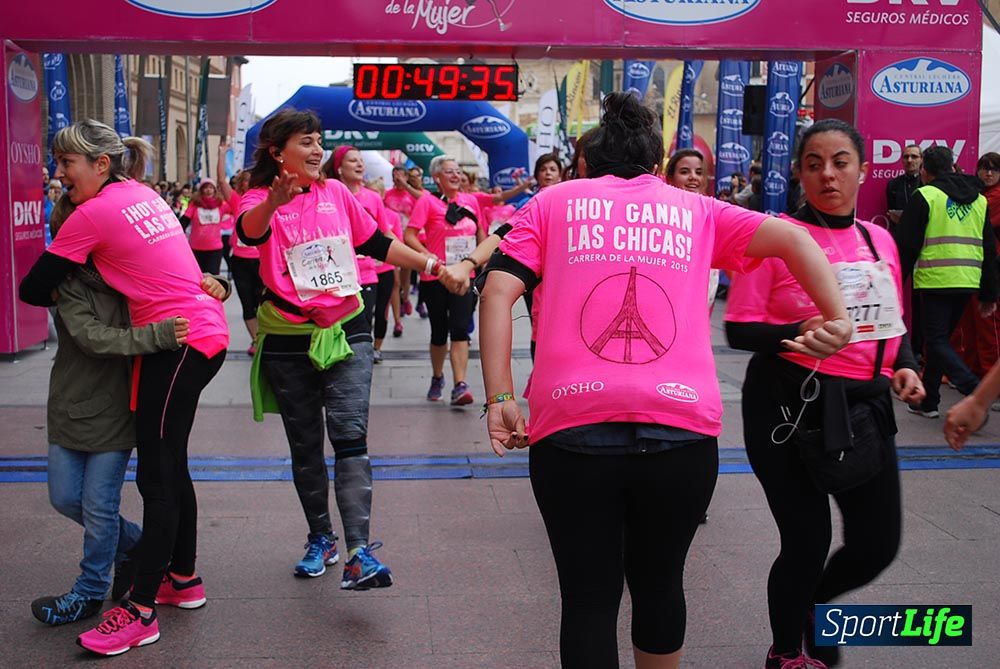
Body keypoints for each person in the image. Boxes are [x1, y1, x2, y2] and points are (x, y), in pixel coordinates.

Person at [479, 92, 851, 669]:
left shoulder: (552, 204)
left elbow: (498, 291)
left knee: (588, 599)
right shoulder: (695, 210)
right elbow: (798, 238)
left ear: (589, 163)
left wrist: (501, 396)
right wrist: (837, 317)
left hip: (571, 427)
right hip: (680, 427)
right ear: (655, 167)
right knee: (661, 584)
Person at [19, 120, 229, 656]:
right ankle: (181, 580)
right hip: (198, 333)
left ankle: (138, 611)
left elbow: (34, 288)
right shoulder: (141, 194)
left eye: (67, 163)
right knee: (171, 468)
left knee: (157, 479)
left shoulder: (92, 213)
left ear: (101, 164)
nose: (58, 173)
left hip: (178, 340)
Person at [725, 119, 924, 669]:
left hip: (866, 407)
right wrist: (803, 330)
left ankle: (816, 610)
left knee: (877, 545)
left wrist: (904, 366)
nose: (827, 174)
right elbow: (738, 329)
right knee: (807, 543)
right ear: (799, 173)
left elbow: (891, 323)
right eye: (814, 164)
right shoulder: (775, 237)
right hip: (788, 408)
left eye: (840, 162)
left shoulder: (877, 238)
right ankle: (786, 652)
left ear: (862, 170)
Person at [237, 109, 464, 589]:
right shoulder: (259, 198)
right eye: (306, 142)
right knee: (304, 447)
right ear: (278, 153)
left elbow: (379, 245)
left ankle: (360, 551)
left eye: (320, 141)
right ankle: (321, 537)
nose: (317, 149)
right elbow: (249, 232)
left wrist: (431, 264)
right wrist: (274, 203)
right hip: (285, 337)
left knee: (349, 433)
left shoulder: (335, 193)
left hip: (346, 327)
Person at [894, 145, 998, 418]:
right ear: (952, 167)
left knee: (936, 340)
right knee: (939, 343)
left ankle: (975, 390)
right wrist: (989, 294)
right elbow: (989, 248)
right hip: (968, 281)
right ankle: (928, 401)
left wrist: (892, 287)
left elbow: (906, 248)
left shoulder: (925, 196)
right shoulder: (979, 199)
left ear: (925, 171)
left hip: (935, 280)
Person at [405, 155, 486, 405]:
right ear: (437, 178)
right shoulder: (427, 202)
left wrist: (479, 260)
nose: (455, 175)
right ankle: (438, 376)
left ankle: (460, 385)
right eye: (449, 171)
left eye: (457, 170)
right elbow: (409, 235)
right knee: (439, 331)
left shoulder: (470, 201)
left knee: (460, 329)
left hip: (465, 275)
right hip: (436, 276)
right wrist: (426, 253)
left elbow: (482, 232)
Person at [322, 145, 398, 364]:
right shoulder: (328, 195)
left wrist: (413, 258)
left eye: (360, 160)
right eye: (352, 160)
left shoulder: (373, 198)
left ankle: (355, 366)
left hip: (365, 273)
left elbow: (386, 233)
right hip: (334, 275)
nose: (359, 164)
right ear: (338, 168)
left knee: (363, 323)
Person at [217, 143, 261, 356]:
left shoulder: (265, 200)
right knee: (247, 303)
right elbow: (221, 182)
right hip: (241, 260)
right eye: (246, 179)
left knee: (263, 302)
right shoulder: (236, 201)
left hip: (262, 261)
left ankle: (265, 339)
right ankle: (256, 341)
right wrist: (221, 155)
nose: (250, 182)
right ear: (242, 184)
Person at [384, 165, 424, 321]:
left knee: (406, 275)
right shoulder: (387, 195)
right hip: (392, 239)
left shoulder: (412, 194)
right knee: (396, 278)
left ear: (406, 177)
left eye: (400, 174)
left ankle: (405, 298)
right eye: (394, 175)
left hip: (409, 240)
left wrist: (407, 186)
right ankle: (398, 299)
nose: (397, 178)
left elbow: (424, 199)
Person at [180, 178, 231, 275]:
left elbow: (235, 209)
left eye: (211, 188)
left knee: (213, 278)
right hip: (196, 248)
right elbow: (184, 222)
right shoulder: (195, 205)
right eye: (206, 188)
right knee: (198, 277)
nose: (208, 190)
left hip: (215, 248)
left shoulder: (221, 205)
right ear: (201, 190)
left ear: (215, 190)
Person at [885, 144, 922, 227]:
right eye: (906, 157)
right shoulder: (893, 184)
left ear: (921, 160)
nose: (909, 160)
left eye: (914, 157)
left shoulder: (928, 182)